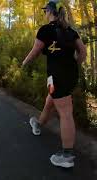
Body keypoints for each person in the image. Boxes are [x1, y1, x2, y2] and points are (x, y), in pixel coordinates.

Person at [22, 0, 87, 168]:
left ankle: (66, 156)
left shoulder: (45, 30)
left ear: (50, 12)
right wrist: (73, 66)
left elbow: (35, 51)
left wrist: (24, 64)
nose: (44, 13)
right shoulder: (71, 31)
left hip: (56, 77)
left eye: (45, 11)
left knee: (65, 112)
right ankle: (38, 124)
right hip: (67, 77)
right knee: (50, 100)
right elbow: (83, 52)